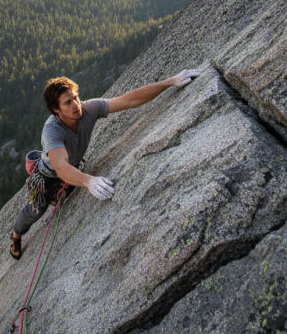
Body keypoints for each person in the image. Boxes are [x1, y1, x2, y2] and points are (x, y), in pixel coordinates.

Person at [10, 69, 202, 259]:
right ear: (56, 109)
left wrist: (170, 82)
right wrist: (89, 181)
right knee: (36, 211)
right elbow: (60, 167)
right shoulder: (52, 131)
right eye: (68, 103)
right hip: (49, 177)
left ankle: (59, 195)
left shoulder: (88, 108)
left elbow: (129, 100)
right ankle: (16, 236)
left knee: (67, 194)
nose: (76, 105)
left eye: (76, 98)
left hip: (71, 169)